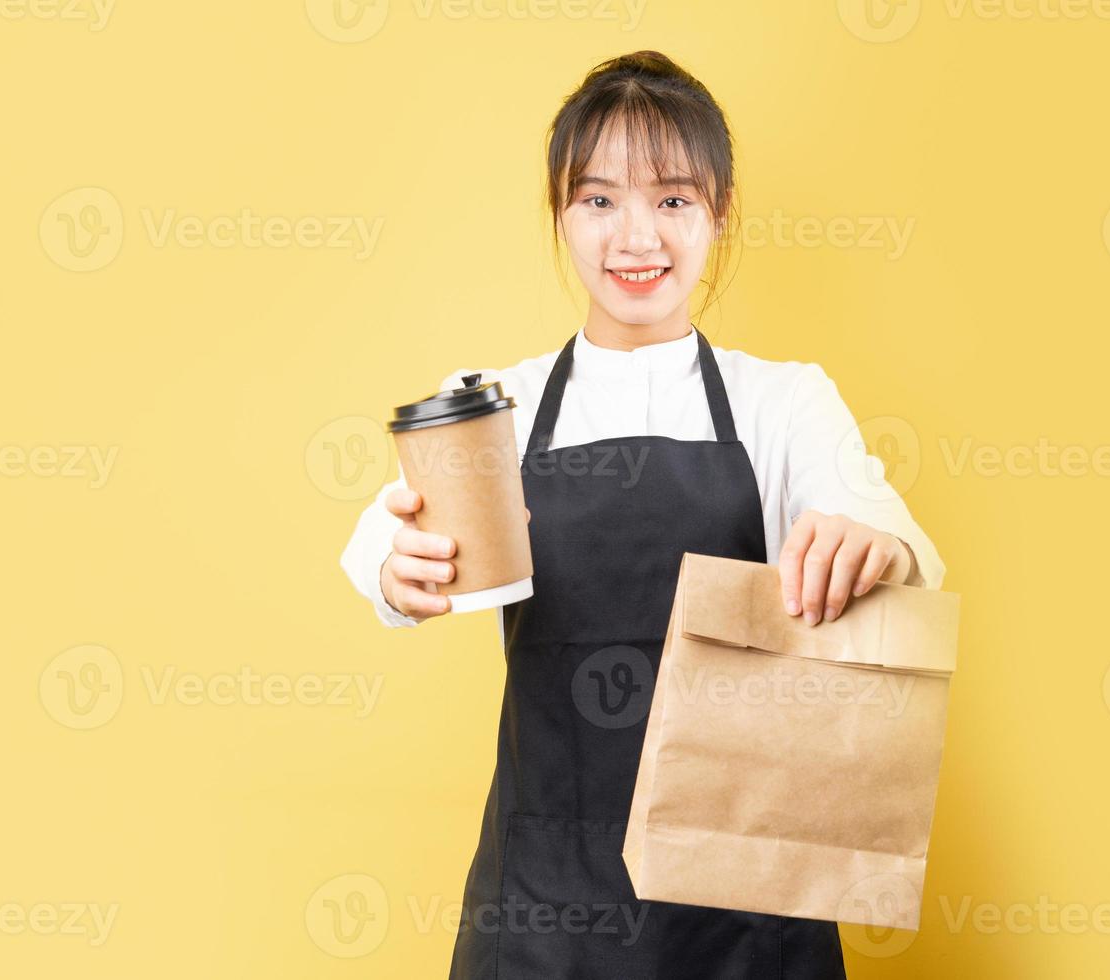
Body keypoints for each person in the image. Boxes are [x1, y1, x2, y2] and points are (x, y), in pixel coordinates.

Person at [340, 49, 946, 980]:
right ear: (559, 213)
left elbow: (900, 545)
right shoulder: (497, 402)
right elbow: (389, 533)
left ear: (718, 214)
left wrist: (877, 546)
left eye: (673, 200)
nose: (637, 238)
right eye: (599, 201)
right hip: (544, 904)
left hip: (745, 904)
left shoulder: (782, 402)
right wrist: (396, 567)